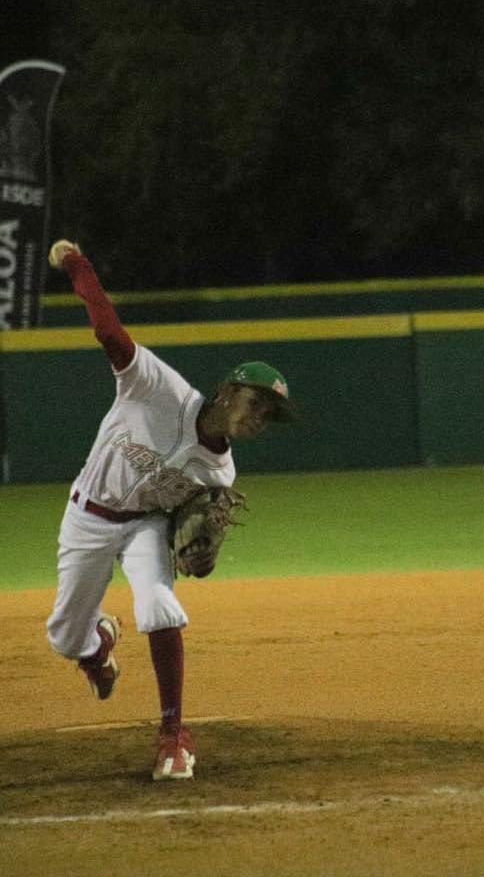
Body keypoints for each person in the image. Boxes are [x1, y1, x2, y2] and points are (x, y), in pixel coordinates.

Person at [43, 238, 297, 782]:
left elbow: (196, 542)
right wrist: (77, 265)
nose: (259, 420)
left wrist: (201, 559)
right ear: (229, 391)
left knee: (159, 603)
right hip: (88, 515)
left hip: (144, 528)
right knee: (63, 637)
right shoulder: (157, 387)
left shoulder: (220, 473)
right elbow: (110, 332)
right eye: (257, 404)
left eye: (269, 417)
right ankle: (96, 648)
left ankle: (173, 736)